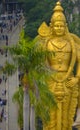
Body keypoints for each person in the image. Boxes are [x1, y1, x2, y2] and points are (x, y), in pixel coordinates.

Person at [38, 1, 80, 130]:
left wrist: (76, 78)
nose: (59, 28)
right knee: (51, 115)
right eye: (57, 26)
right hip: (51, 80)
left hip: (68, 80)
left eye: (62, 26)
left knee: (67, 116)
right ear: (52, 26)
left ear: (65, 26)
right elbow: (38, 63)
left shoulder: (72, 42)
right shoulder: (46, 43)